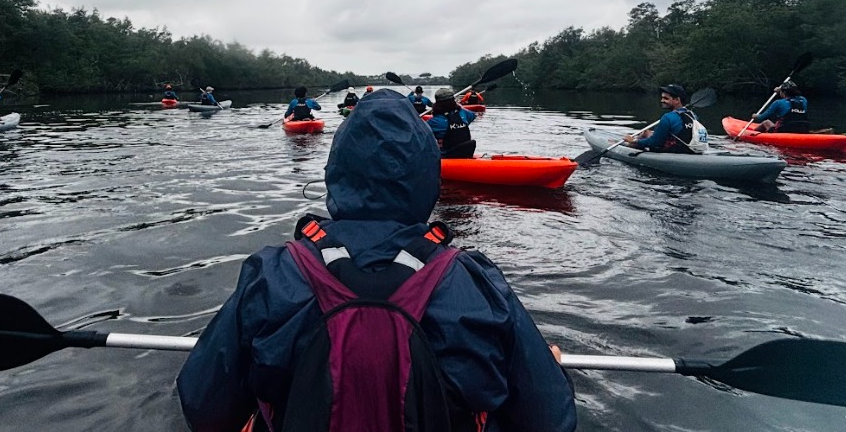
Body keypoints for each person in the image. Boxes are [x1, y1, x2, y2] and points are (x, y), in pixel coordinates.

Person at [176, 89, 576, 432]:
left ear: (336, 172)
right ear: (427, 179)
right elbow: (551, 421)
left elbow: (204, 408)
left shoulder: (272, 271)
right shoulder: (475, 279)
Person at [623, 84, 707, 154]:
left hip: (674, 152)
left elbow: (654, 143)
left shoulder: (667, 117)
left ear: (677, 100)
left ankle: (627, 144)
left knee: (641, 139)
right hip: (690, 149)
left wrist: (634, 141)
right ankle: (630, 142)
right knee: (646, 133)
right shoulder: (693, 115)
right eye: (662, 98)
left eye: (666, 98)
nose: (662, 100)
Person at [427, 88, 478, 159]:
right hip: (466, 153)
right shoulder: (464, 113)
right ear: (453, 101)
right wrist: (459, 107)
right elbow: (473, 115)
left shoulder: (434, 122)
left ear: (437, 103)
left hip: (447, 155)